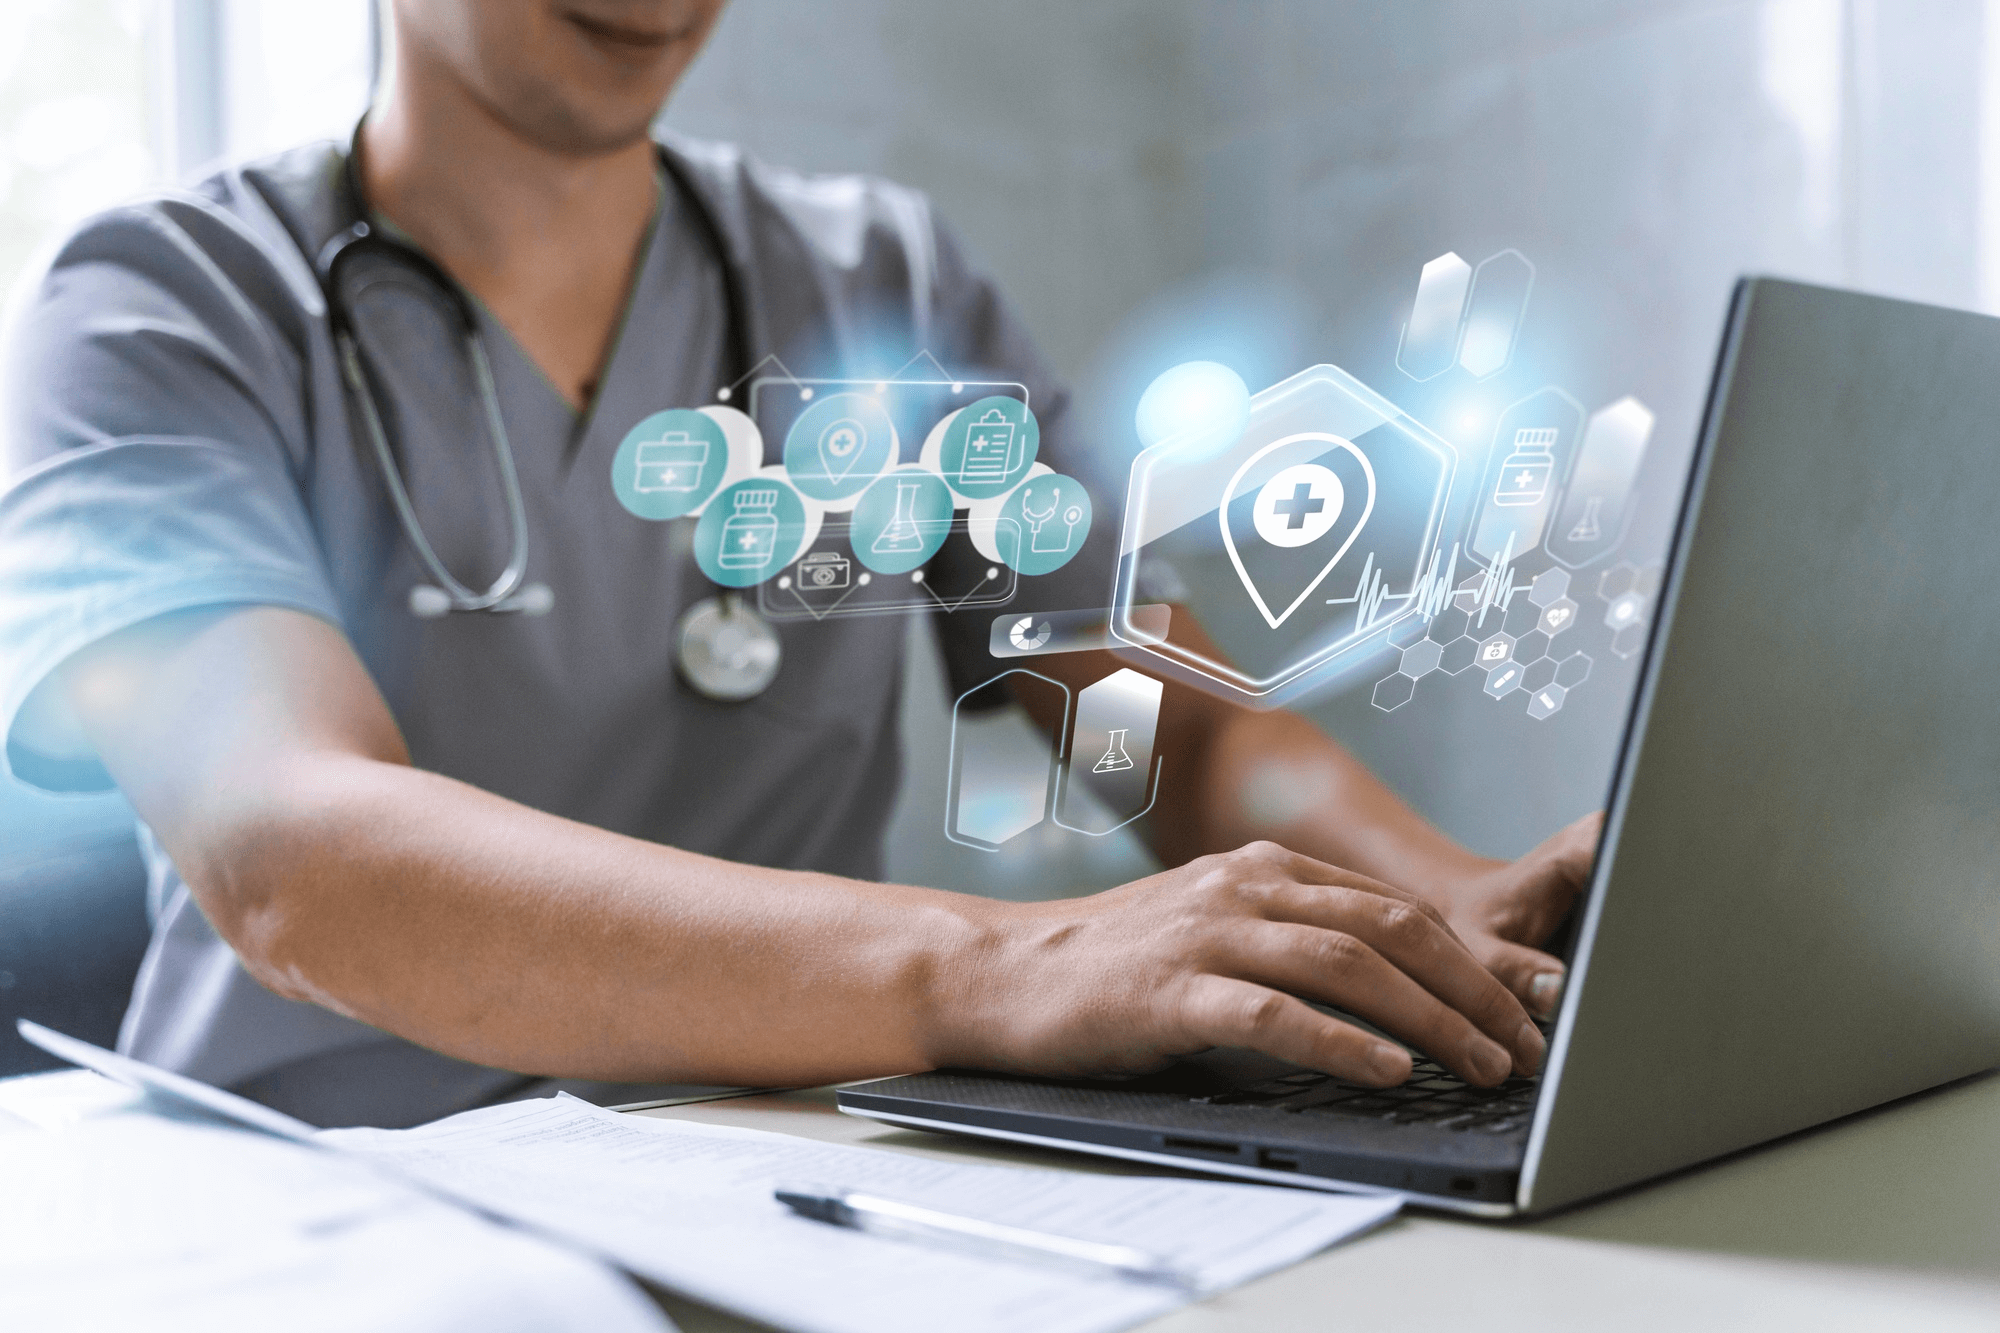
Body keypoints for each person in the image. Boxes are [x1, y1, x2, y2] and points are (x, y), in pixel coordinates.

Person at [0, 0, 1595, 1128]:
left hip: (786, 1171)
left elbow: (1149, 723)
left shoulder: (875, 286)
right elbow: (293, 860)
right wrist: (996, 965)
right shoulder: (159, 309)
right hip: (333, 1208)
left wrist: (1436, 903)